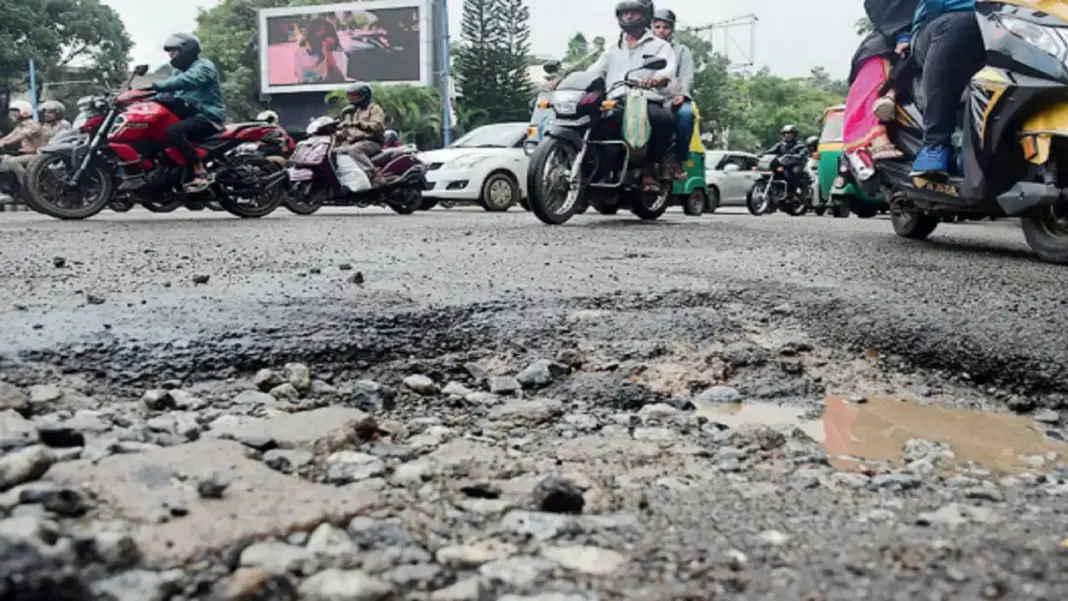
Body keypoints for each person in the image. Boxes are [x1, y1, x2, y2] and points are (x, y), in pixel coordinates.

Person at [583, 0, 676, 193]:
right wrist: (563, 81)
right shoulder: (613, 47)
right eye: (625, 13)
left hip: (645, 99)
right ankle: (597, 168)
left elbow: (668, 70)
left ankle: (649, 168)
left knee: (662, 119)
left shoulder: (660, 46)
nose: (629, 17)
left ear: (646, 15)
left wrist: (655, 79)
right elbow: (593, 71)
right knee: (590, 120)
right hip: (614, 100)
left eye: (634, 13)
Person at [899, 0, 982, 177]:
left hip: (1007, 20)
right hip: (941, 24)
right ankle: (935, 143)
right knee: (959, 25)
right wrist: (902, 35)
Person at [141, 33, 226, 193]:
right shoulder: (178, 73)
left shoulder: (204, 66)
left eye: (174, 51)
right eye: (169, 52)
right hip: (189, 115)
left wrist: (156, 85)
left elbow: (190, 80)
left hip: (208, 117)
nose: (171, 55)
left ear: (187, 50)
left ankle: (199, 170)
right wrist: (141, 97)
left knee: (174, 131)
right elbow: (167, 94)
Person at [843, 0, 918, 174]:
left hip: (973, 27)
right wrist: (902, 34)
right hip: (896, 36)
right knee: (879, 63)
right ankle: (876, 134)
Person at [651, 8, 694, 181]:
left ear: (672, 29)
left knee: (685, 114)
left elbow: (687, 75)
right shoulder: (643, 47)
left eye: (665, 27)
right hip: (644, 97)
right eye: (657, 27)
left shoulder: (681, 51)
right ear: (651, 27)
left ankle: (677, 160)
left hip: (671, 98)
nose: (661, 31)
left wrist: (682, 94)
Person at [335, 82, 386, 181]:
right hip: (352, 143)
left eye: (354, 96)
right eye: (350, 96)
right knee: (332, 152)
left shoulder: (374, 108)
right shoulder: (350, 111)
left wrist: (358, 124)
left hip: (372, 141)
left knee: (354, 150)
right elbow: (345, 131)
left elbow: (376, 126)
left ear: (364, 95)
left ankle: (373, 174)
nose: (351, 98)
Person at [0, 101, 47, 184]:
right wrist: (2, 141)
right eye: (12, 111)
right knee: (4, 158)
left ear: (24, 111)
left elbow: (21, 136)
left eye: (15, 111)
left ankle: (27, 184)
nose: (12, 114)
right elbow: (10, 136)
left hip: (37, 154)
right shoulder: (20, 125)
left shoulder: (32, 124)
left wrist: (5, 143)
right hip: (24, 153)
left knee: (12, 162)